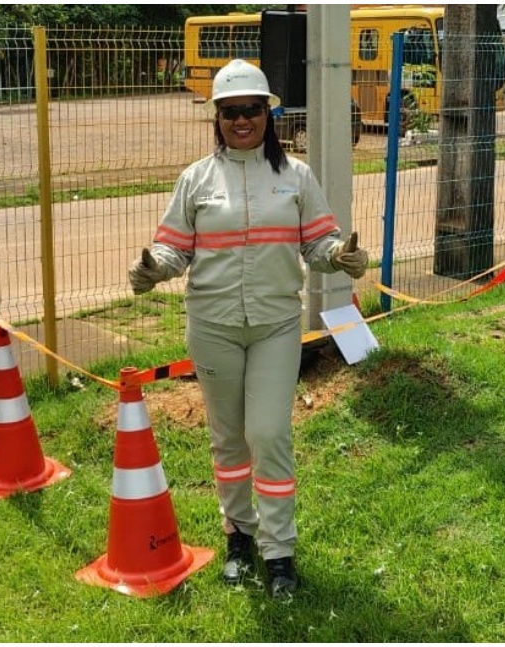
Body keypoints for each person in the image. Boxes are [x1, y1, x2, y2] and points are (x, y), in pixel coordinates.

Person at [127, 59, 368, 598]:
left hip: (275, 326)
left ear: (268, 114)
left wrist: (340, 256)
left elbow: (318, 244)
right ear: (217, 116)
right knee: (229, 438)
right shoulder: (196, 179)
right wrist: (153, 268)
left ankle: (278, 551)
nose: (242, 120)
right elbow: (174, 248)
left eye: (252, 110)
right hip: (211, 327)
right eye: (231, 111)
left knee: (269, 433)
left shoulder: (295, 176)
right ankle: (238, 534)